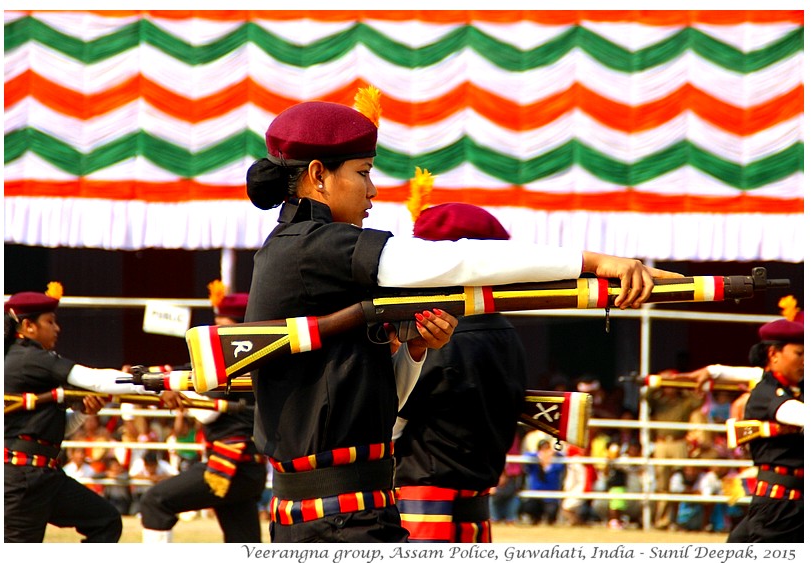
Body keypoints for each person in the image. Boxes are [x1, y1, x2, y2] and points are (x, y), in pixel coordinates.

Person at [243, 87, 682, 542]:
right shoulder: (314, 245)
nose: (372, 191)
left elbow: (382, 411)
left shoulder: (305, 252)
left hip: (348, 512)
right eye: (363, 172)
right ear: (318, 175)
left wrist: (413, 351)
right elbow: (458, 261)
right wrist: (593, 263)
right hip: (338, 519)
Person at [392, 201, 529, 543]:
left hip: (422, 505)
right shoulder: (507, 332)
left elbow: (391, 417)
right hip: (474, 507)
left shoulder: (441, 336)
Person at [4, 284, 173, 542]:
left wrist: (83, 411)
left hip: (44, 476)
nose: (57, 328)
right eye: (50, 321)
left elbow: (55, 429)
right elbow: (95, 380)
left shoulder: (30, 359)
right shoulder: (30, 358)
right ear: (29, 327)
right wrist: (158, 385)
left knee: (105, 521)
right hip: (21, 479)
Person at [138, 286, 269, 543]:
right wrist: (154, 381)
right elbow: (183, 373)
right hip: (244, 467)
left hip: (232, 464)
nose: (216, 332)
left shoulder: (233, 359)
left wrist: (171, 391)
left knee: (155, 502)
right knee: (243, 543)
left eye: (222, 326)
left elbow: (207, 415)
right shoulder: (244, 356)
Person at [727, 319, 804, 543]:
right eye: (799, 354)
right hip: (779, 507)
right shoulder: (766, 392)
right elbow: (800, 415)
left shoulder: (797, 390)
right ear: (773, 354)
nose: (805, 361)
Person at [646, 369, 705, 530]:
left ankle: (678, 519)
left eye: (672, 384)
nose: (670, 387)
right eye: (668, 385)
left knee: (681, 483)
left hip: (679, 443)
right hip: (662, 443)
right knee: (662, 484)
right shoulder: (659, 401)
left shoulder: (685, 401)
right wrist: (659, 381)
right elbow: (647, 396)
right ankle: (662, 521)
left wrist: (683, 384)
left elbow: (698, 401)